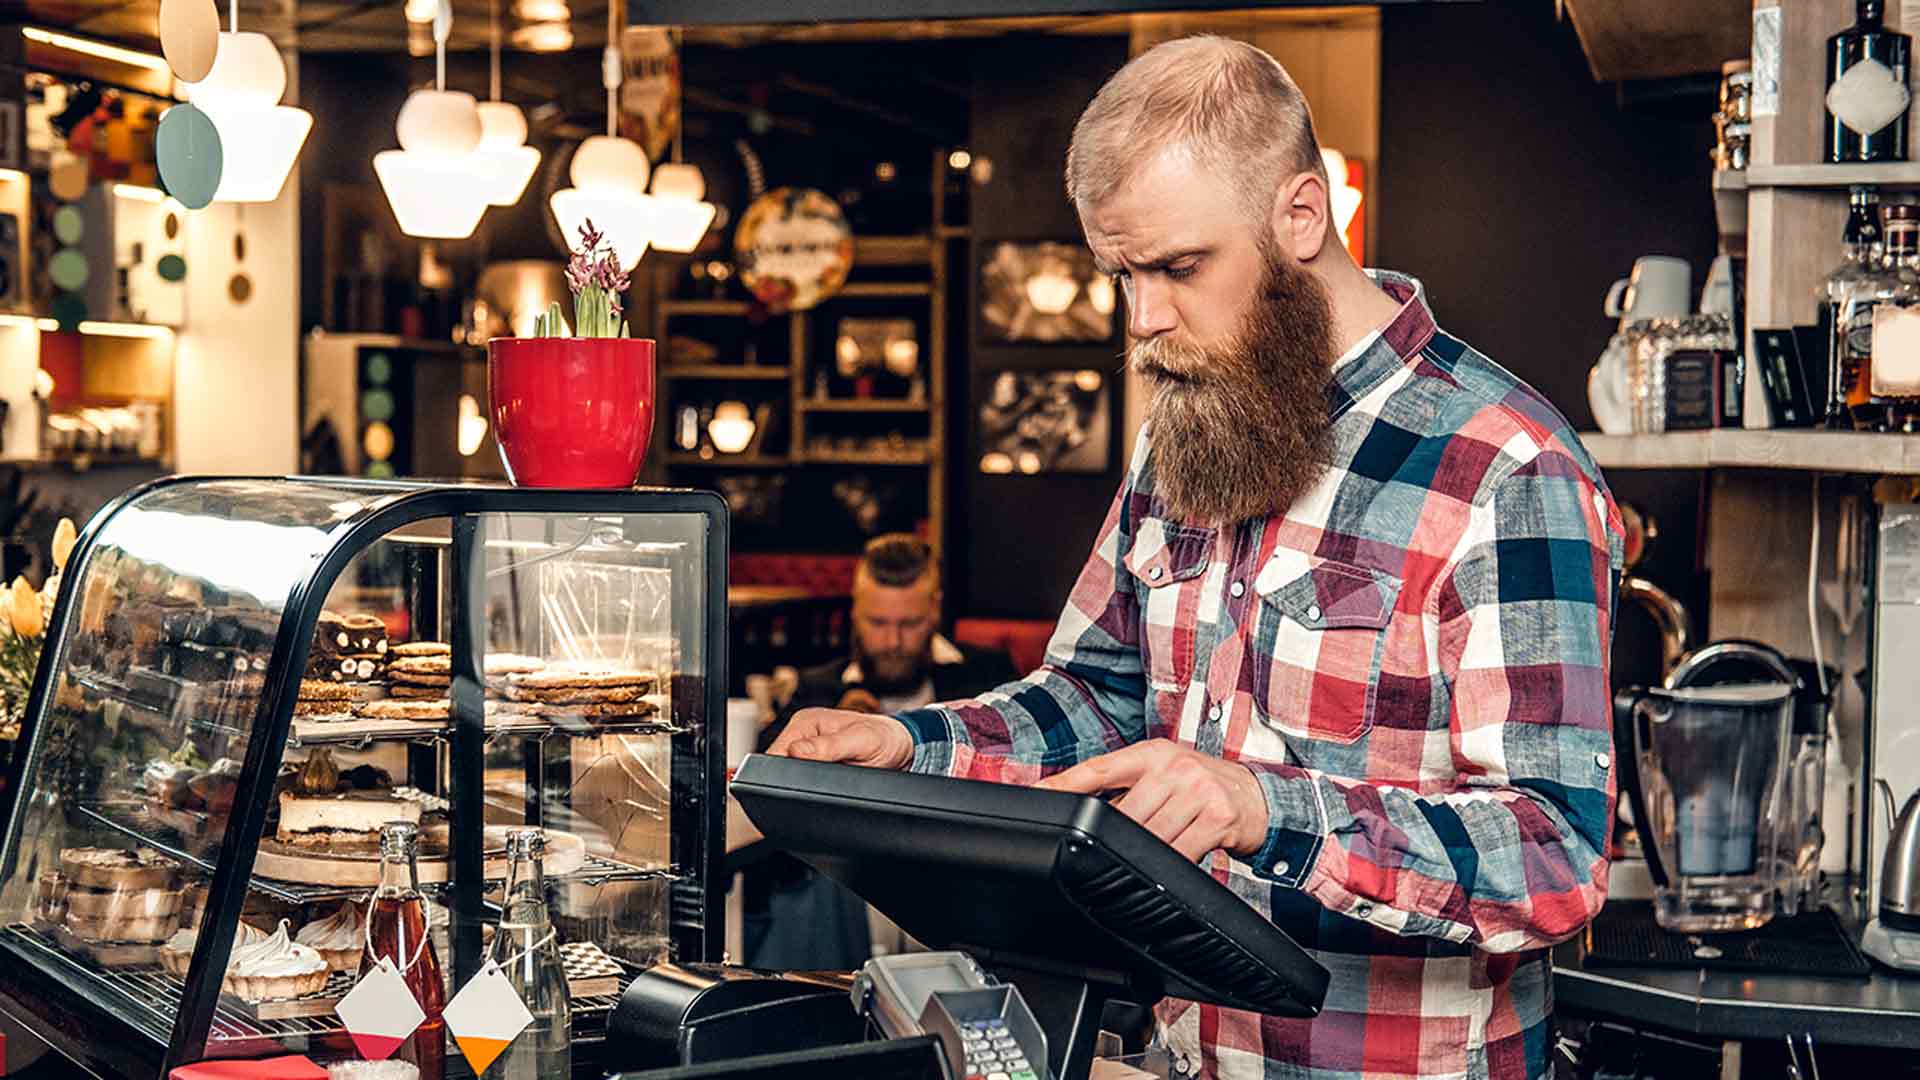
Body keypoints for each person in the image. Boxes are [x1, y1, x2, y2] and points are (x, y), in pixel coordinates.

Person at [771, 35, 1623, 1080]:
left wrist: (1262, 808)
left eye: (1178, 268)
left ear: (1301, 216)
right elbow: (1096, 702)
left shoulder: (1504, 469)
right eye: (1122, 274)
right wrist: (912, 750)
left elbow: (1555, 859)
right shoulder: (1184, 436)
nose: (1144, 320)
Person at [743, 533, 1017, 971]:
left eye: (908, 625)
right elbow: (764, 772)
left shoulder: (986, 677)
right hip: (852, 887)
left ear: (934, 609)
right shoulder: (821, 686)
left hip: (960, 872)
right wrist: (837, 718)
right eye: (877, 623)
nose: (892, 641)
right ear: (854, 611)